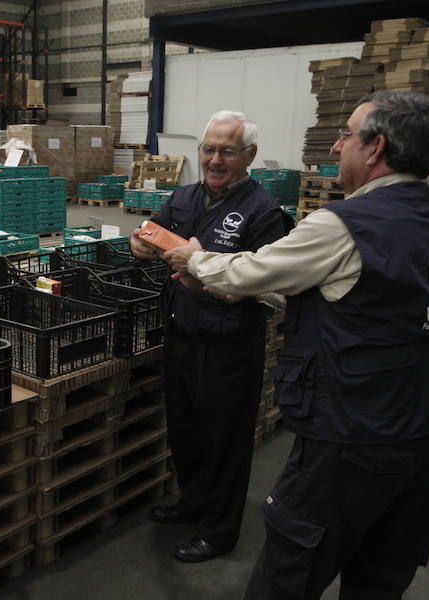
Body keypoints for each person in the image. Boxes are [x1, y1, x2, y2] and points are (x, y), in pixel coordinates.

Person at [163, 90, 429, 598]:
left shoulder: (347, 223)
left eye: (346, 135)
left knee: (287, 575)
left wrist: (196, 260)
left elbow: (253, 267)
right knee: (378, 576)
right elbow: (371, 307)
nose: (335, 148)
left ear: (375, 149)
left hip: (356, 432)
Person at [130, 111, 289, 562]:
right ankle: (193, 501)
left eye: (227, 151)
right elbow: (148, 234)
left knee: (224, 439)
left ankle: (220, 530)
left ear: (249, 156)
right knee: (186, 429)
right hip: (182, 332)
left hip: (230, 345)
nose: (214, 159)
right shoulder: (183, 197)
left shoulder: (264, 212)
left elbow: (264, 284)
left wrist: (213, 278)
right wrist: (139, 243)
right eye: (208, 149)